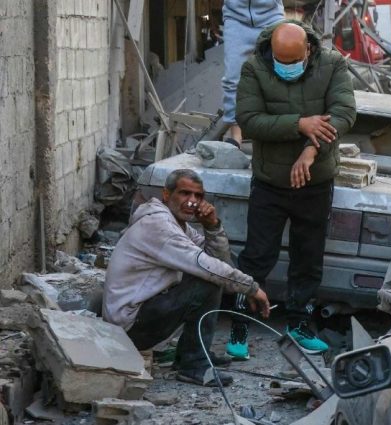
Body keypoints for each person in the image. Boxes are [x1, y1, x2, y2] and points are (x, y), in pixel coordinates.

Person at [229, 21, 356, 359]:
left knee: (308, 258)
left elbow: (344, 113)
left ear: (308, 50)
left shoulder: (332, 64)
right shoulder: (254, 68)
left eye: (293, 62)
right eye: (280, 62)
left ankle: (299, 324)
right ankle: (240, 324)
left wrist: (311, 149)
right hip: (270, 182)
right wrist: (299, 124)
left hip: (316, 182)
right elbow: (249, 119)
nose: (285, 69)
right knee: (257, 256)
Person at [103, 169, 271, 386]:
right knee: (208, 283)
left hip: (140, 314)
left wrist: (212, 226)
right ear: (166, 194)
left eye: (198, 196)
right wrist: (251, 288)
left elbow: (218, 260)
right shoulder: (159, 225)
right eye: (184, 193)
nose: (192, 201)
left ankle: (191, 355)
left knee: (212, 278)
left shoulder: (178, 225)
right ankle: (194, 365)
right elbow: (207, 267)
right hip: (129, 327)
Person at [220, 0, 284, 145]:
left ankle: (279, 128)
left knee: (281, 72)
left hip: (272, 16)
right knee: (232, 78)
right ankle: (236, 135)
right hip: (235, 18)